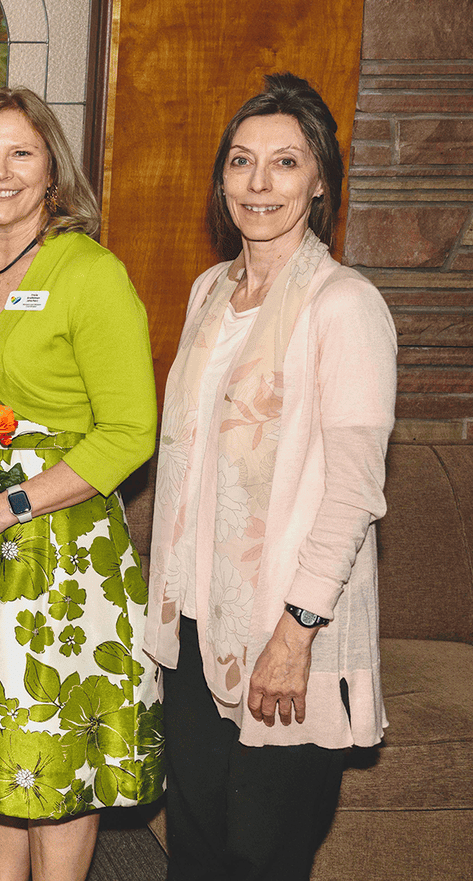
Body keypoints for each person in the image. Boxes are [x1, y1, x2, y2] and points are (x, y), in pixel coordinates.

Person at [0, 87, 162, 881]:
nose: (0, 170)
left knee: (46, 747)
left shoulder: (89, 271)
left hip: (56, 550)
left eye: (22, 152)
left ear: (53, 170)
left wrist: (8, 505)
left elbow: (130, 431)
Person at [145, 73, 395, 881]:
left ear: (319, 182)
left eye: (285, 164)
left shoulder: (344, 305)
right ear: (221, 178)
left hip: (286, 632)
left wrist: (294, 636)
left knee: (261, 857)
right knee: (197, 847)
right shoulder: (209, 293)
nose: (259, 184)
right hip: (195, 626)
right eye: (241, 162)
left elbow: (354, 494)